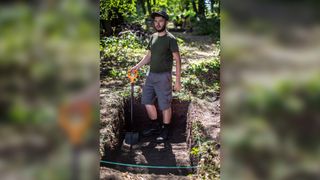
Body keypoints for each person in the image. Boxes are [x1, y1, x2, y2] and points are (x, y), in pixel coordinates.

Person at [130, 11, 182, 142]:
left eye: (161, 21)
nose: (158, 23)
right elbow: (149, 56)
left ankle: (166, 128)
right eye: (155, 21)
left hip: (164, 76)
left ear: (166, 22)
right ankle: (155, 126)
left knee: (164, 105)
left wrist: (177, 81)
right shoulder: (153, 37)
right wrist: (137, 66)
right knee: (147, 101)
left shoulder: (170, 39)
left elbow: (177, 60)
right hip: (150, 75)